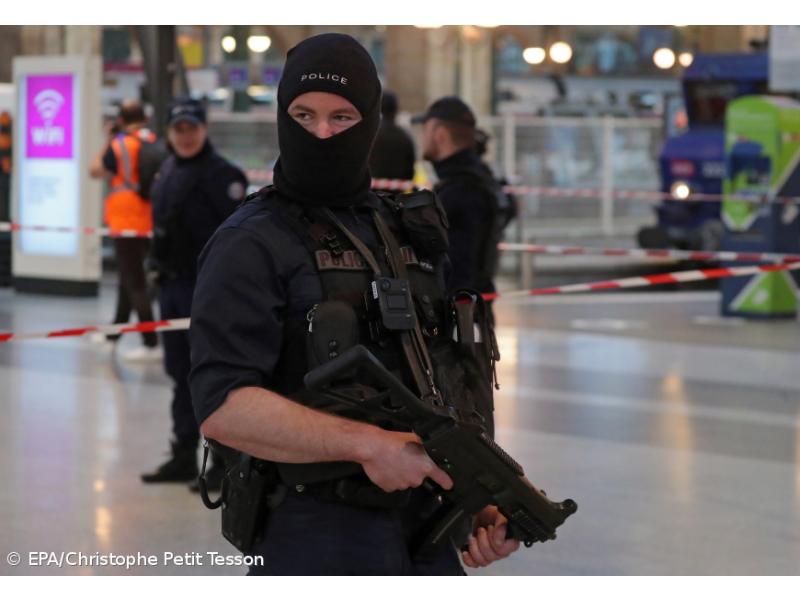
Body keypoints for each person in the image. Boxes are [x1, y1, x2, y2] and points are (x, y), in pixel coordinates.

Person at [188, 33, 519, 576]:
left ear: (368, 123)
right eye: (303, 114)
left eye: (341, 118)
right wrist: (368, 446)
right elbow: (224, 407)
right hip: (312, 527)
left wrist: (477, 495)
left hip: (423, 522)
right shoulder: (250, 242)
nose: (320, 133)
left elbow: (440, 378)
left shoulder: (404, 231)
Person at [141, 98, 248, 488]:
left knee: (213, 376)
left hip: (207, 293)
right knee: (178, 373)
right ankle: (184, 453)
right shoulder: (166, 170)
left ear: (204, 130)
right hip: (172, 287)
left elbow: (236, 240)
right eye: (178, 129)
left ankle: (224, 460)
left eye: (192, 128)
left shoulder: (224, 176)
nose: (185, 136)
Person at [89, 100, 161, 360]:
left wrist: (107, 139)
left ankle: (150, 342)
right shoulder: (153, 140)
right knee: (127, 281)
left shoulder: (120, 144)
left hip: (126, 220)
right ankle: (113, 336)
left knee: (135, 283)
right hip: (148, 219)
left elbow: (94, 170)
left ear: (120, 120)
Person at [413, 97, 505, 297]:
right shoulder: (481, 177)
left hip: (461, 316)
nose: (422, 138)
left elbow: (458, 269)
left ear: (440, 134)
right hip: (476, 310)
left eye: (425, 130)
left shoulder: (459, 190)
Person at [368, 90, 416, 183]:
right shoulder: (404, 137)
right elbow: (410, 171)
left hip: (371, 192)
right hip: (397, 194)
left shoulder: (370, 134)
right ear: (396, 109)